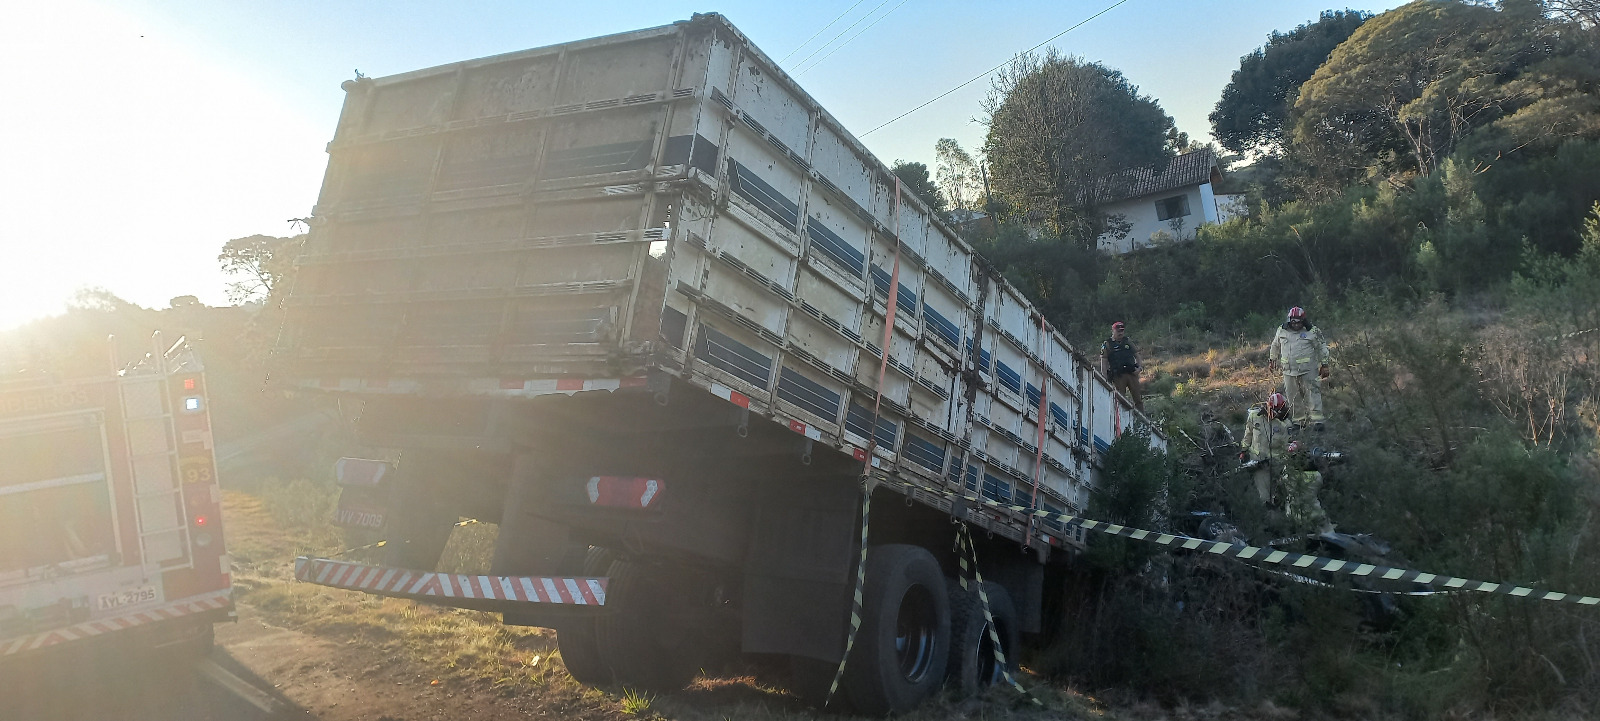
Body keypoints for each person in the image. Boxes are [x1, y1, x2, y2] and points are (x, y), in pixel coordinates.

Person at [1267, 306, 1331, 431]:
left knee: (1313, 394)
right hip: (1288, 371)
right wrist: (1272, 359)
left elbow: (1322, 347)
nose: (1296, 324)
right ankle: (1298, 421)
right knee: (1293, 396)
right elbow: (1275, 345)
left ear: (1303, 321)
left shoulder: (1312, 331)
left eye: (1299, 321)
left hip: (1308, 370)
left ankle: (1317, 421)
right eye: (1293, 321)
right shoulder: (1282, 330)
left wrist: (1325, 365)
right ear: (1289, 320)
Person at [1240, 392, 1290, 504]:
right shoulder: (1254, 416)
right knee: (1264, 496)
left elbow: (1287, 444)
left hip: (1277, 463)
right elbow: (1248, 435)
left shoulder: (1285, 423)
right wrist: (1243, 451)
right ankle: (1268, 511)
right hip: (1259, 462)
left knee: (1281, 493)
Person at [1099, 321, 1143, 411]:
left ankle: (1142, 420)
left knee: (1138, 399)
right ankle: (1122, 420)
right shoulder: (1107, 343)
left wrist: (1139, 368)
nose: (1120, 333)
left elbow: (1137, 354)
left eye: (1122, 331)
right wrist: (1104, 376)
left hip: (1132, 373)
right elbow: (1104, 360)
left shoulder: (1127, 341)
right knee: (1120, 400)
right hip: (1118, 375)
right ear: (1113, 331)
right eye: (1118, 331)